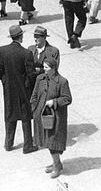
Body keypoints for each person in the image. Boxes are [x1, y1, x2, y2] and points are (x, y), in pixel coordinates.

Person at [30, 43, 73, 178]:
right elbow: (34, 95)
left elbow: (67, 99)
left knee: (53, 142)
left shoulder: (62, 81)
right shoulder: (40, 79)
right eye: (44, 67)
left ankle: (57, 166)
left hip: (56, 118)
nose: (44, 69)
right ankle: (56, 163)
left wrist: (54, 102)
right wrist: (34, 108)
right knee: (46, 141)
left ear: (54, 68)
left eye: (47, 68)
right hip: (42, 116)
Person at [0, 23, 38, 152]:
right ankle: (27, 145)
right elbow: (31, 75)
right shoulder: (26, 53)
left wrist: (5, 80)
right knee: (25, 116)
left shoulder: (2, 50)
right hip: (23, 89)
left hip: (9, 90)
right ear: (21, 37)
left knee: (10, 115)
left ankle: (8, 143)